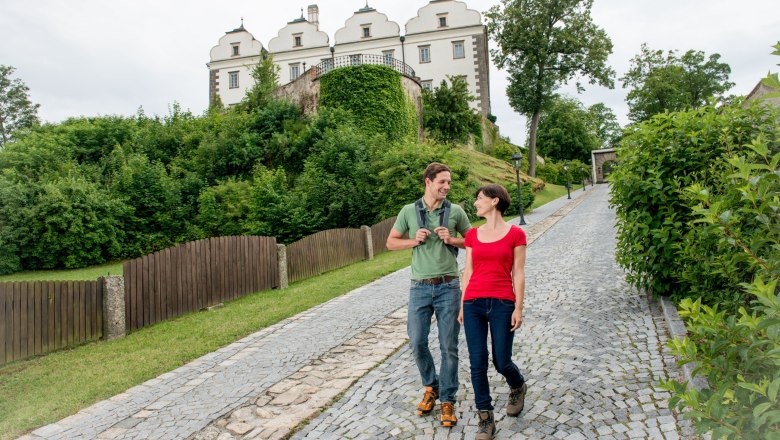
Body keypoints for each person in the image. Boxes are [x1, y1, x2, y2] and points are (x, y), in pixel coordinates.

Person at [386, 162, 471, 427]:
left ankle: (448, 400)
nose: (446, 187)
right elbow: (390, 242)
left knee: (449, 346)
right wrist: (413, 240)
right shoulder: (408, 212)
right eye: (442, 182)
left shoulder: (456, 211)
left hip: (448, 286)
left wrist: (452, 239)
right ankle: (430, 387)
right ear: (428, 182)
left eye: (449, 183)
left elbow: (473, 242)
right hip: (419, 287)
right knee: (416, 341)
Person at [458, 184, 528, 440]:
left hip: (502, 303)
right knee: (477, 361)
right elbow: (467, 271)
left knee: (501, 360)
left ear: (494, 201)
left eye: (479, 198)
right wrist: (462, 303)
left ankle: (518, 385)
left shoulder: (516, 235)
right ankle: (485, 417)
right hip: (473, 303)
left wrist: (518, 306)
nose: (476, 203)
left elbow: (518, 272)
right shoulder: (473, 235)